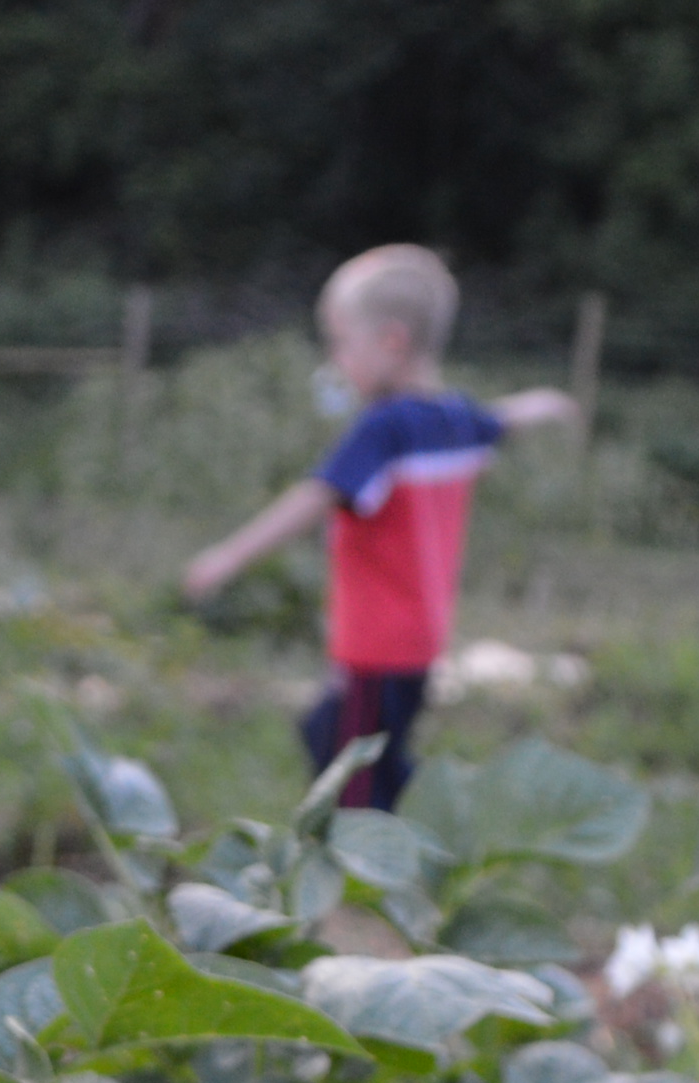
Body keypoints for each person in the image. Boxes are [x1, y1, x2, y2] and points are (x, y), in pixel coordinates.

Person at [181, 245, 579, 811]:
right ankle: (420, 820)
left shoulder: (385, 427)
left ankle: (365, 884)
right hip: (421, 641)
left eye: (341, 342)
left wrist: (229, 556)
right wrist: (548, 403)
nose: (335, 360)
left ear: (391, 341)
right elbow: (506, 418)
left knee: (352, 785)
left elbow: (315, 496)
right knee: (354, 745)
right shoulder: (454, 419)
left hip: (374, 645)